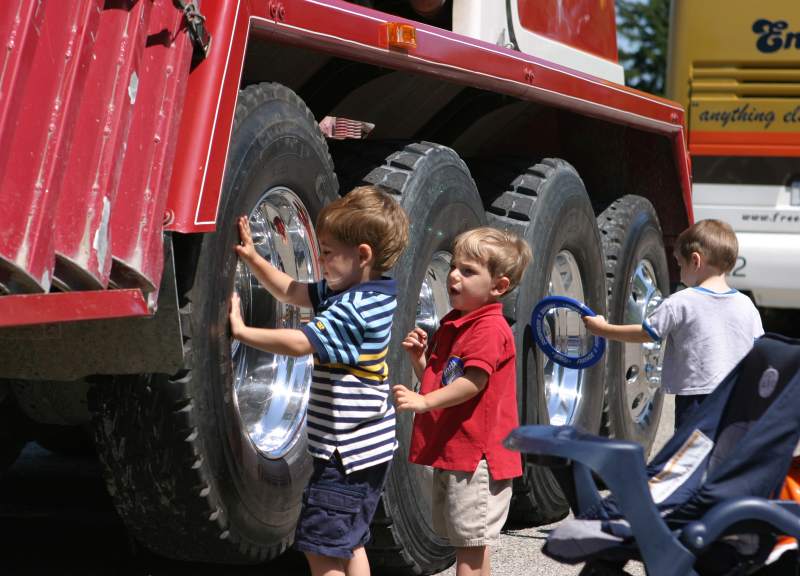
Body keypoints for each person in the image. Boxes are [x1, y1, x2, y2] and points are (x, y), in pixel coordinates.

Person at [229, 185, 409, 576]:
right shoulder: (370, 291)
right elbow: (293, 291)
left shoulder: (353, 309)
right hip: (368, 450)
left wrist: (242, 332)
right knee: (349, 543)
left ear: (363, 255)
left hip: (345, 455)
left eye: (326, 253)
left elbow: (299, 343)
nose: (320, 260)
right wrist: (255, 259)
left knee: (321, 550)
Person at [393, 227, 532, 576]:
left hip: (477, 460)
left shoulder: (487, 329)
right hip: (460, 454)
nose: (454, 275)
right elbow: (451, 380)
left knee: (469, 552)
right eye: (454, 266)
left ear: (499, 287)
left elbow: (473, 383)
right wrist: (420, 363)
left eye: (468, 271)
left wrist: (424, 403)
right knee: (470, 546)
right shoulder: (459, 324)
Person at [583, 218, 764, 430]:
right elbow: (759, 349)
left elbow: (647, 333)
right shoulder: (746, 305)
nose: (679, 272)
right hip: (736, 396)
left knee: (688, 454)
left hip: (696, 398)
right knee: (725, 455)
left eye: (679, 264)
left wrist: (603, 329)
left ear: (695, 261)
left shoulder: (681, 302)